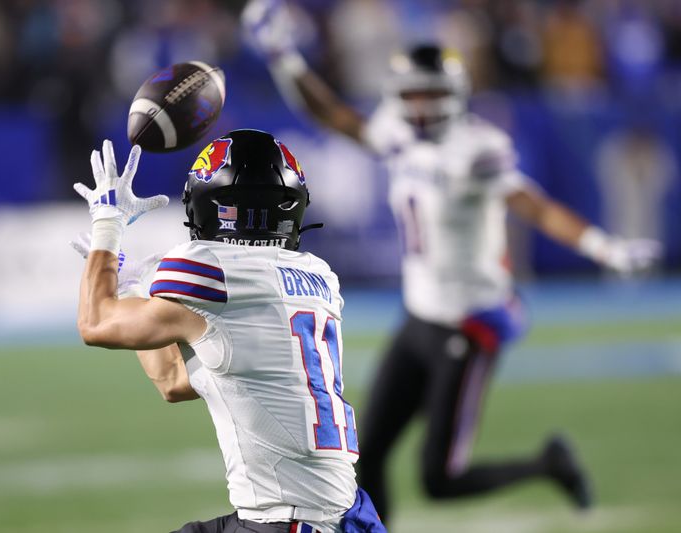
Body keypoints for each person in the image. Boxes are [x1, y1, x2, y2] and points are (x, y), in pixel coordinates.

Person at [241, 0, 663, 522]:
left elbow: (533, 205)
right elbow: (334, 115)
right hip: (419, 315)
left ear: (455, 97)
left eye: (430, 95)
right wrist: (285, 57)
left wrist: (604, 247)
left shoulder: (476, 148)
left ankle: (548, 464)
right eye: (411, 95)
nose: (418, 106)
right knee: (365, 455)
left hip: (469, 321)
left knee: (438, 480)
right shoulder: (397, 129)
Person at [73, 130, 387, 532]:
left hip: (289, 522)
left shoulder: (209, 267)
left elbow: (96, 323)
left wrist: (107, 224)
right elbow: (176, 380)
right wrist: (132, 288)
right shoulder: (317, 276)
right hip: (341, 514)